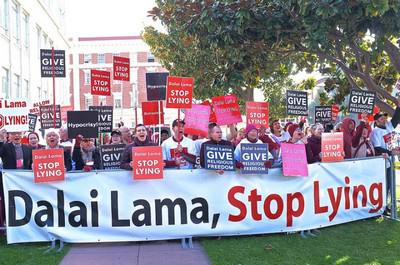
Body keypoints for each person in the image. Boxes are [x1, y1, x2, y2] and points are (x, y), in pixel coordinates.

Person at [370, 99, 400, 215]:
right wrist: (391, 152)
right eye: (381, 118)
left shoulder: (387, 127)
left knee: (390, 185)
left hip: (390, 161)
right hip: (382, 161)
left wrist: (398, 107)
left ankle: (388, 205)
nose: (384, 119)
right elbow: (377, 147)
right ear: (376, 121)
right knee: (385, 185)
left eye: (384, 118)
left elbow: (396, 119)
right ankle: (382, 206)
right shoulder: (375, 132)